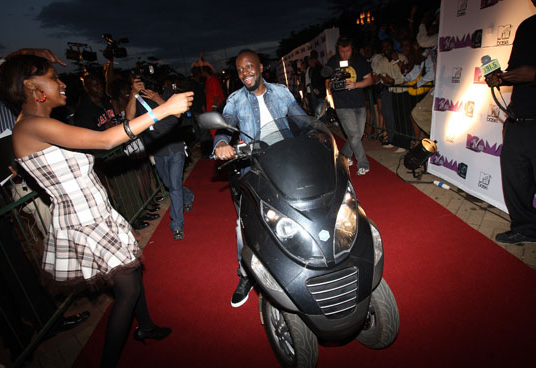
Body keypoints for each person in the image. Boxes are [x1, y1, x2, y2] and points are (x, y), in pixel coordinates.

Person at [0, 54, 193, 368]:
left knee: (130, 271)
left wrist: (38, 55)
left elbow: (104, 141)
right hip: (84, 221)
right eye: (53, 77)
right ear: (31, 87)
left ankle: (144, 326)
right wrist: (163, 109)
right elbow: (104, 141)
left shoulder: (39, 122)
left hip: (96, 212)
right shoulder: (31, 126)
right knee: (128, 286)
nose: (62, 83)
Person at [214, 49, 306, 307]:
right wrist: (222, 142)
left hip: (288, 162)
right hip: (254, 168)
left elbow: (301, 119)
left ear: (261, 67)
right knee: (245, 223)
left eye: (249, 67)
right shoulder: (235, 99)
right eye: (240, 70)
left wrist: (314, 131)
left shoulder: (282, 92)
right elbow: (225, 124)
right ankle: (245, 274)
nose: (245, 73)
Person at [485, 0, 536, 244]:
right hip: (518, 120)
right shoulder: (527, 26)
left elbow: (530, 73)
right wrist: (501, 78)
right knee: (515, 182)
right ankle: (526, 228)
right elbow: (515, 70)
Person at [126, 75, 194, 241]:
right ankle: (188, 196)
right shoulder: (138, 99)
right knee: (169, 183)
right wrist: (133, 93)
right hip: (156, 148)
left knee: (175, 186)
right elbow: (129, 118)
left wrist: (158, 98)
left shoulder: (168, 93)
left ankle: (177, 225)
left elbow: (178, 115)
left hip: (175, 145)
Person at [326, 36, 373, 175]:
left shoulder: (360, 60)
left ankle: (344, 156)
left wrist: (356, 84)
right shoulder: (333, 61)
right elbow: (327, 82)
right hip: (342, 104)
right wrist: (330, 90)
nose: (345, 54)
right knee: (353, 135)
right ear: (338, 49)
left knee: (357, 135)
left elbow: (370, 80)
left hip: (359, 103)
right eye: (342, 51)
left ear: (352, 48)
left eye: (347, 50)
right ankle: (363, 164)